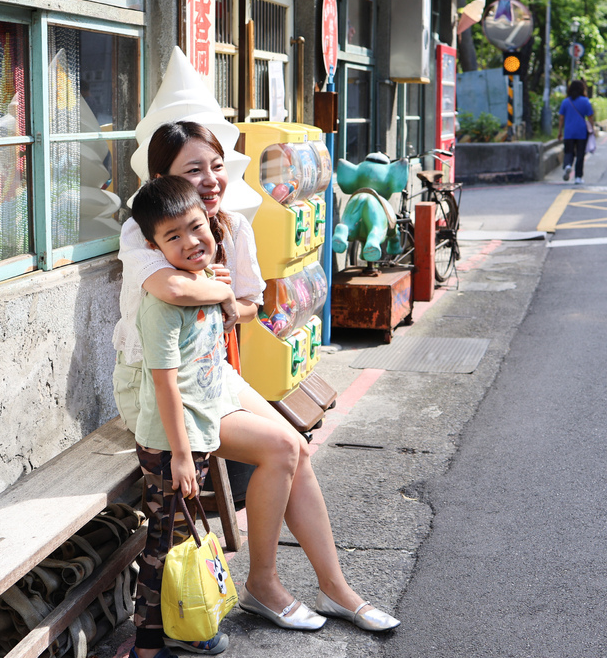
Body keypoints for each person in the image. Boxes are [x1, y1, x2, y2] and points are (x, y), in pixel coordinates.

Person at [112, 122, 400, 650]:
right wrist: (216, 291)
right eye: (193, 170)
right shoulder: (145, 226)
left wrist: (225, 300)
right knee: (281, 447)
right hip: (160, 385)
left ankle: (335, 587)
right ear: (161, 178)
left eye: (216, 165)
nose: (211, 178)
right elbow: (168, 286)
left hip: (209, 372)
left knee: (298, 449)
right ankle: (262, 584)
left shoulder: (233, 229)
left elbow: (252, 305)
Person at [127, 175, 236, 658]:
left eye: (196, 227)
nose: (192, 242)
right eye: (173, 237)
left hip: (194, 437)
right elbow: (165, 384)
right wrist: (180, 456)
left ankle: (186, 628)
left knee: (181, 536)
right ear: (154, 246)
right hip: (172, 443)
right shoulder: (163, 305)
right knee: (163, 546)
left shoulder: (202, 284)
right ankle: (148, 646)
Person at [558, 80, 596, 185]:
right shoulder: (585, 101)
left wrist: (560, 131)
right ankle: (578, 177)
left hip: (569, 132)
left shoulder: (565, 102)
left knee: (568, 151)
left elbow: (561, 118)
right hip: (581, 131)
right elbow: (590, 116)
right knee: (580, 154)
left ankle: (568, 165)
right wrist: (592, 129)